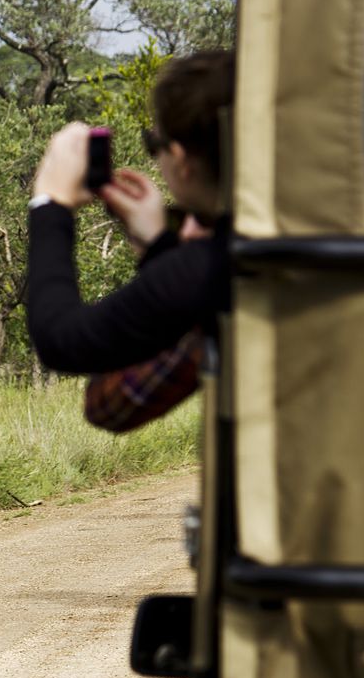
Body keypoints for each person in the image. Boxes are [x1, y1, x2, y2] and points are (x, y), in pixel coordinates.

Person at [26, 51, 235, 427]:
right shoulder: (258, 246)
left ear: (181, 159)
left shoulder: (206, 267)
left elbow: (60, 339)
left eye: (153, 143)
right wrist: (158, 246)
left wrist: (50, 203)